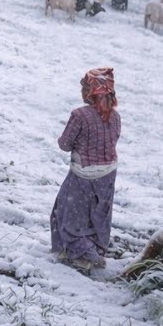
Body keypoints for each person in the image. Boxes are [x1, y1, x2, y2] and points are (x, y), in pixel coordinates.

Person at [50, 67, 122, 272]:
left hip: (84, 172)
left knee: (68, 211)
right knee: (99, 213)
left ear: (91, 92)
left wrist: (69, 142)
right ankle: (96, 249)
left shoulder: (80, 115)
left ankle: (79, 252)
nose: (81, 92)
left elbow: (65, 144)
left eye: (84, 87)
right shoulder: (115, 117)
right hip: (108, 172)